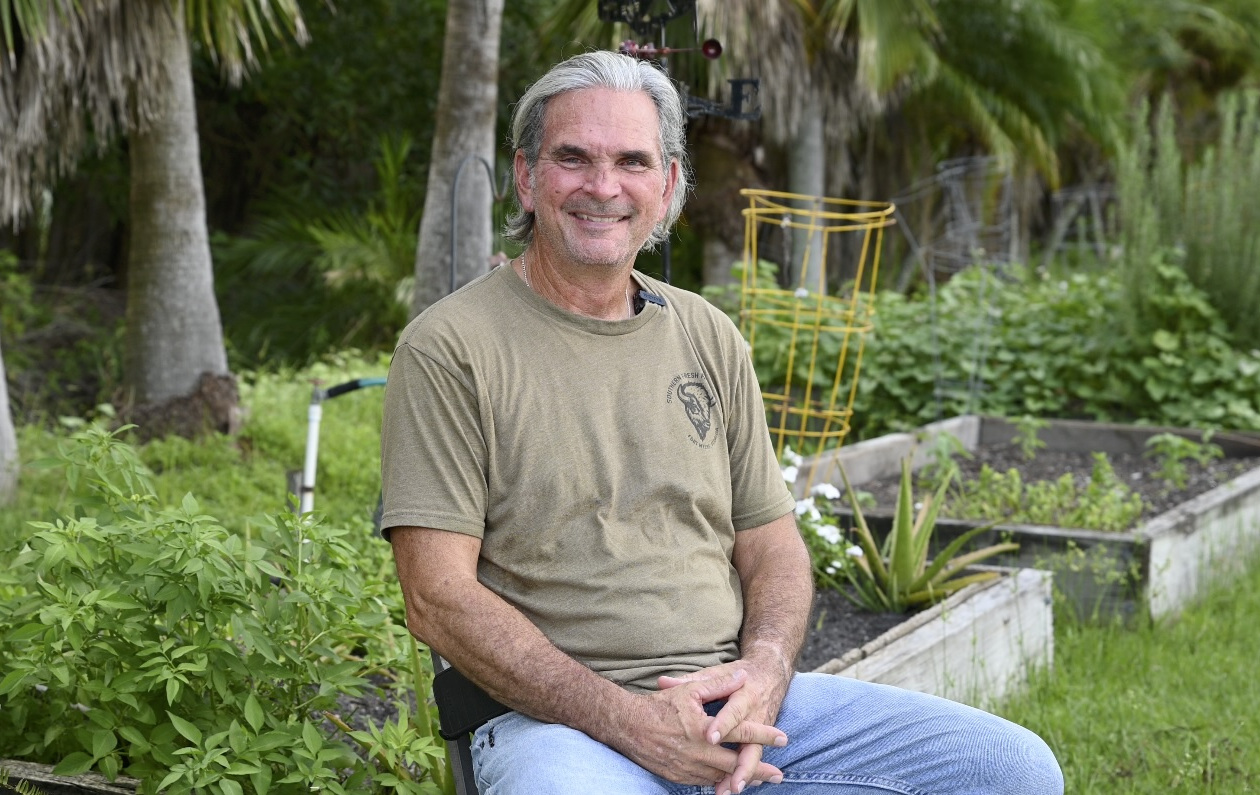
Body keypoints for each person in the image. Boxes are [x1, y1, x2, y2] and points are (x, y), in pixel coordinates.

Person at [381, 50, 1064, 795]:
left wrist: (766, 671)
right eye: (572, 158)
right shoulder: (449, 348)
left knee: (1012, 770)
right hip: (558, 728)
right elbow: (437, 598)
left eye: (632, 162)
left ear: (668, 182)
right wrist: (630, 721)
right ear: (526, 175)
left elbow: (773, 545)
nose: (603, 186)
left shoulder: (707, 335)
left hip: (734, 704)